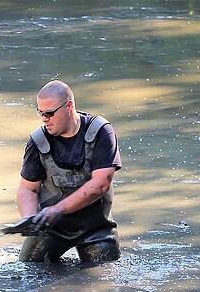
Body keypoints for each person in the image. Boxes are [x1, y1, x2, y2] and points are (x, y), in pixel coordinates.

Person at [16, 80, 122, 263]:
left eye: (49, 113)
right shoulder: (38, 141)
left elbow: (100, 184)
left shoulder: (101, 132)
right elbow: (27, 189)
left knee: (104, 282)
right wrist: (30, 220)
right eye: (40, 113)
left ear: (69, 106)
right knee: (28, 272)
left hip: (96, 228)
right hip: (50, 228)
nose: (44, 118)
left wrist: (57, 209)